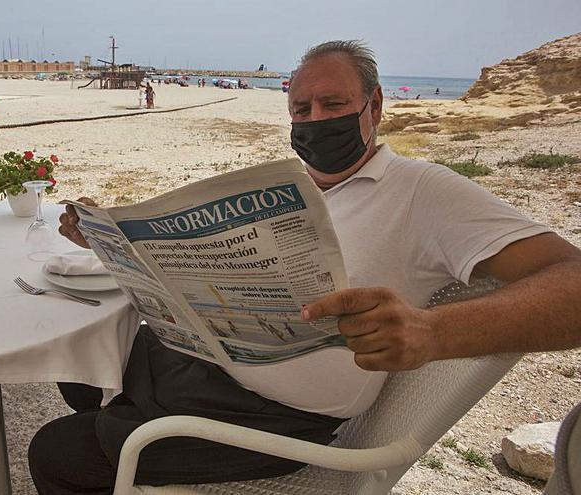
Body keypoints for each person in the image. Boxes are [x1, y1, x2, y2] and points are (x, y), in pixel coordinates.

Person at [32, 40, 581, 494]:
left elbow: (572, 283)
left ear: (376, 107)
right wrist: (109, 238)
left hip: (268, 418)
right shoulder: (289, 189)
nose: (315, 121)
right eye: (301, 110)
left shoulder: (422, 191)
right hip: (205, 362)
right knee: (74, 366)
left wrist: (434, 330)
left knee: (55, 451)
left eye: (334, 105)